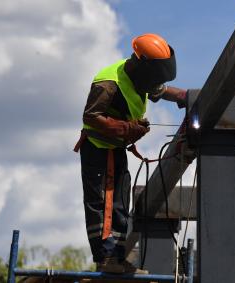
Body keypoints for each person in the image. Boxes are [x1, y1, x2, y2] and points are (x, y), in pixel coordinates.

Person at [74, 33, 187, 274]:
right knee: (103, 205)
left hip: (116, 149)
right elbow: (90, 116)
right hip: (98, 151)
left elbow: (160, 90)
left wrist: (184, 97)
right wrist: (127, 128)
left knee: (120, 205)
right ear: (143, 66)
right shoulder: (109, 83)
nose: (155, 84)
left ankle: (117, 258)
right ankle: (105, 259)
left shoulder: (142, 77)